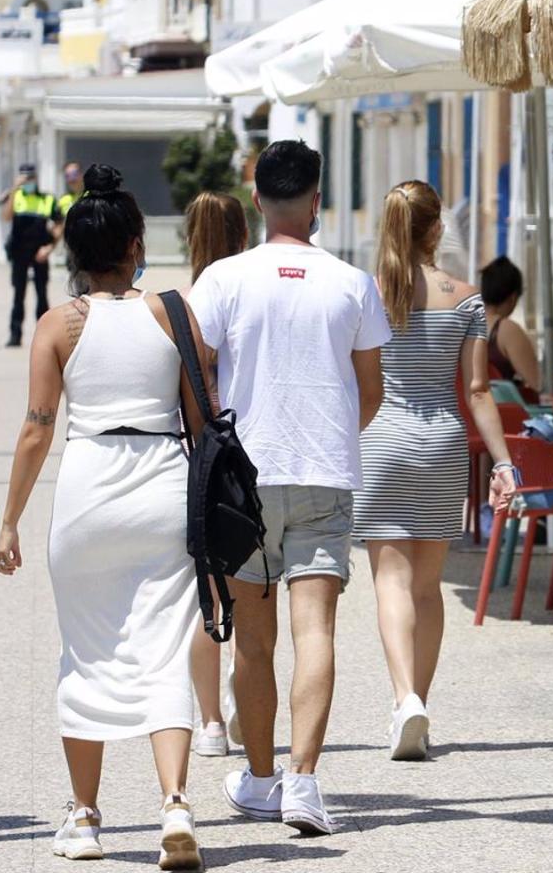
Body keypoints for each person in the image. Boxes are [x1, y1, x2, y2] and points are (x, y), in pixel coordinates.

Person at [0, 166, 205, 870]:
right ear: (136, 245)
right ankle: (174, 802)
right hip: (161, 485)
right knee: (165, 649)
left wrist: (9, 521)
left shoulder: (58, 325)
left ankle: (84, 819)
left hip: (88, 490)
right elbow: (201, 420)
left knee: (86, 652)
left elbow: (35, 429)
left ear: (75, 255)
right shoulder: (173, 311)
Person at [188, 140, 389, 835]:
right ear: (317, 200)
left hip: (246, 476)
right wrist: (331, 431)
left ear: (256, 199)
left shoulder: (222, 279)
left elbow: (196, 371)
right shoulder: (352, 283)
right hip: (325, 472)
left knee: (252, 640)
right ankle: (305, 783)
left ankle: (262, 777)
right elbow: (372, 391)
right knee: (317, 632)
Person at [355, 180, 518, 760]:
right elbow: (477, 390)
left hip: (382, 440)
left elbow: (358, 383)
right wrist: (503, 463)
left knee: (390, 581)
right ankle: (418, 699)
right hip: (443, 442)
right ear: (436, 229)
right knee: (427, 587)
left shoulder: (369, 296)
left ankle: (405, 700)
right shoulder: (468, 298)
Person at [177, 190, 252, 760]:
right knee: (251, 585)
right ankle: (247, 689)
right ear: (243, 234)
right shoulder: (254, 289)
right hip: (253, 451)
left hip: (199, 454)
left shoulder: (178, 305)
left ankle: (209, 723)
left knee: (204, 592)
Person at [1, 163, 64, 348]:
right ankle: (15, 335)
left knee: (42, 295)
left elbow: (60, 223)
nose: (27, 182)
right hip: (19, 252)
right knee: (18, 295)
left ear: (36, 179)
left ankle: (45, 336)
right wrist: (13, 189)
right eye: (24, 178)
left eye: (30, 178)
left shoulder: (47, 199)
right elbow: (5, 217)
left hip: (39, 252)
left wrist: (50, 248)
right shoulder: (16, 197)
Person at [480, 257, 548, 402]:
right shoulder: (506, 330)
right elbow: (539, 383)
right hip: (502, 416)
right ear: (513, 297)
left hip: (466, 415)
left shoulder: (463, 324)